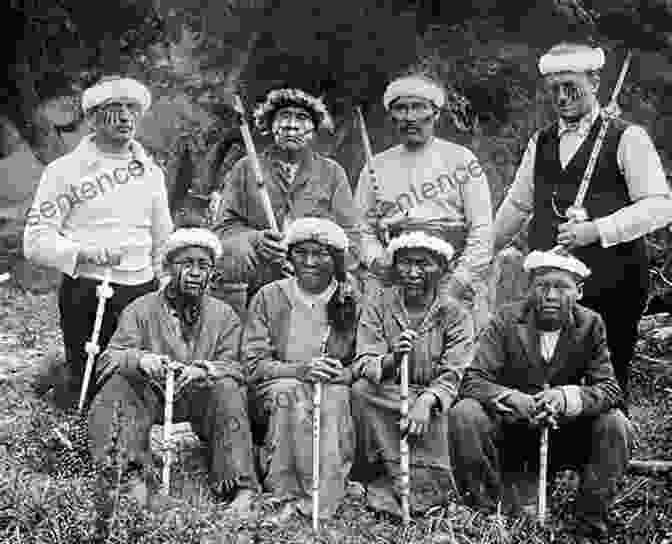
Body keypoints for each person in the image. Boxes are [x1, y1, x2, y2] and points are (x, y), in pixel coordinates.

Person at [493, 43, 672, 400]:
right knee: (547, 377)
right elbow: (517, 204)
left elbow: (659, 206)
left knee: (605, 380)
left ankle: (606, 452)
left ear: (594, 81)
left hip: (614, 283)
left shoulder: (627, 137)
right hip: (550, 286)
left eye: (570, 88)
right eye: (553, 90)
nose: (561, 97)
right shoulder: (540, 142)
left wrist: (596, 229)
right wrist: (483, 251)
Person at [449, 249, 630, 544]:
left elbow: (610, 389)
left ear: (579, 291)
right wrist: (513, 398)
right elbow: (473, 380)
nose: (551, 295)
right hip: (512, 431)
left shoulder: (590, 324)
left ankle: (588, 525)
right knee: (465, 413)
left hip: (564, 434)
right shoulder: (506, 319)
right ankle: (482, 515)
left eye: (562, 287)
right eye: (542, 285)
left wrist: (566, 399)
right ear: (529, 289)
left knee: (616, 424)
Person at [24, 75, 174, 408]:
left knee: (139, 387)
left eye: (132, 108)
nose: (125, 117)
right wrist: (85, 252)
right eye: (114, 108)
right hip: (88, 292)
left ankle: (131, 455)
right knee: (88, 388)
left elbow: (164, 243)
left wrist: (165, 289)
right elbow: (34, 241)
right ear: (92, 118)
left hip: (143, 294)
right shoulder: (64, 171)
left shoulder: (151, 173)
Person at [88, 228, 258, 514]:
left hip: (200, 398)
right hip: (150, 396)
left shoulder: (224, 315)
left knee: (228, 387)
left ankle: (241, 488)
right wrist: (142, 361)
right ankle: (131, 478)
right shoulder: (139, 309)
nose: (194, 272)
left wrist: (205, 370)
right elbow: (108, 359)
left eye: (203, 265)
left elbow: (238, 366)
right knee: (119, 383)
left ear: (212, 273)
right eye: (186, 264)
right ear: (168, 267)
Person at [241, 217, 359, 523]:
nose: (309, 262)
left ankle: (325, 498)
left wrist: (341, 374)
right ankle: (284, 493)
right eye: (301, 252)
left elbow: (367, 359)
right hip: (281, 383)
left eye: (320, 254)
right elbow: (253, 366)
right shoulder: (269, 296)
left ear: (335, 259)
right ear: (289, 256)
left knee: (333, 397)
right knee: (291, 394)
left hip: (333, 384)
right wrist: (301, 370)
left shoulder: (352, 300)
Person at [354, 72, 493, 330]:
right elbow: (361, 229)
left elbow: (482, 231)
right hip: (395, 277)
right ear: (391, 116)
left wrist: (458, 281)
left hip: (451, 276)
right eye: (401, 109)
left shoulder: (462, 161)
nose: (409, 117)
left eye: (418, 107)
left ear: (436, 113)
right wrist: (376, 260)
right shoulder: (376, 166)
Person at [350, 229, 475, 516]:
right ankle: (376, 474)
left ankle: (428, 488)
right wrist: (393, 359)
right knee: (360, 391)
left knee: (449, 414)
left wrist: (427, 400)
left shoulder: (455, 314)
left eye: (424, 264)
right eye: (405, 263)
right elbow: (365, 360)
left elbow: (455, 371)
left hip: (432, 401)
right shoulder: (379, 304)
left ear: (442, 269)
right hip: (389, 393)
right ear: (395, 267)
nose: (413, 272)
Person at [212, 88, 361, 299]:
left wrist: (316, 263)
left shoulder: (332, 173)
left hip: (318, 288)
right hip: (261, 287)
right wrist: (255, 239)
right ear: (271, 125)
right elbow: (223, 230)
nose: (292, 125)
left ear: (315, 128)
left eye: (302, 117)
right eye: (284, 116)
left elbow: (351, 238)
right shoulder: (245, 168)